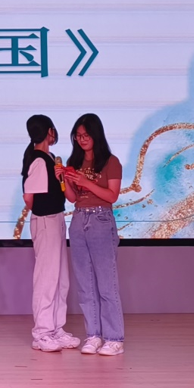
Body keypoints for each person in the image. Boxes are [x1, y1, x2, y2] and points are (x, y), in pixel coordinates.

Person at [63, 113, 125, 356]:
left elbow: (112, 196)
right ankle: (93, 335)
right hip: (79, 219)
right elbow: (72, 198)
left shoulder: (111, 161)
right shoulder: (75, 160)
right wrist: (65, 181)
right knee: (85, 284)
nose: (82, 140)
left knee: (106, 284)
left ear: (96, 135)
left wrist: (85, 181)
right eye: (78, 136)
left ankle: (114, 338)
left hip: (101, 219)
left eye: (86, 135)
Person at [22, 115, 80, 353]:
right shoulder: (37, 160)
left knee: (60, 278)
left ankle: (56, 328)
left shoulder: (49, 158)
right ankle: (42, 332)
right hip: (45, 220)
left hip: (56, 218)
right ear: (49, 131)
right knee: (47, 278)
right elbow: (29, 198)